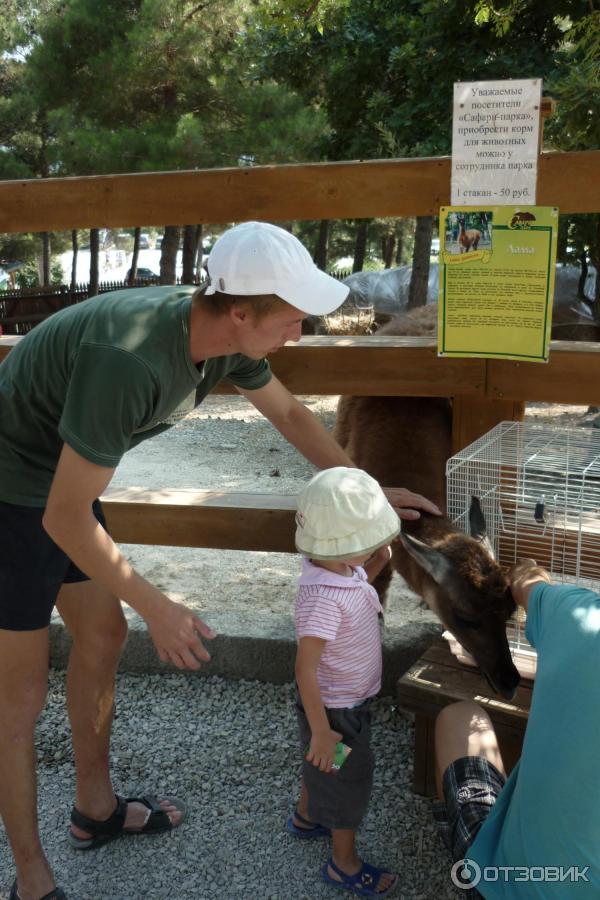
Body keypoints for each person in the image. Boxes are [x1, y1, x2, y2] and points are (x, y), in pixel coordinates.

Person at [0, 221, 439, 900]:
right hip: (9, 491)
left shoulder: (220, 338)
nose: (297, 334)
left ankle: (95, 809)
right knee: (19, 697)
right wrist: (159, 606)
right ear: (240, 311)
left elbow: (291, 415)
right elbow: (62, 516)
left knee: (105, 635)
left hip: (57, 481)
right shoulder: (132, 358)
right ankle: (31, 879)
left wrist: (366, 492)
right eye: (291, 320)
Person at [433, 558, 600, 897]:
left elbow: (525, 577)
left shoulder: (582, 614)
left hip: (507, 885)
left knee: (460, 717)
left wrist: (528, 570)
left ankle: (469, 867)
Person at [287, 467, 401, 897]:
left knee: (320, 764)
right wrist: (321, 729)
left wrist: (377, 558)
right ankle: (343, 863)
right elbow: (304, 669)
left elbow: (357, 586)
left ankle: (306, 817)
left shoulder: (336, 571)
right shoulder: (322, 601)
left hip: (338, 707)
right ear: (349, 545)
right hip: (337, 713)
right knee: (345, 779)